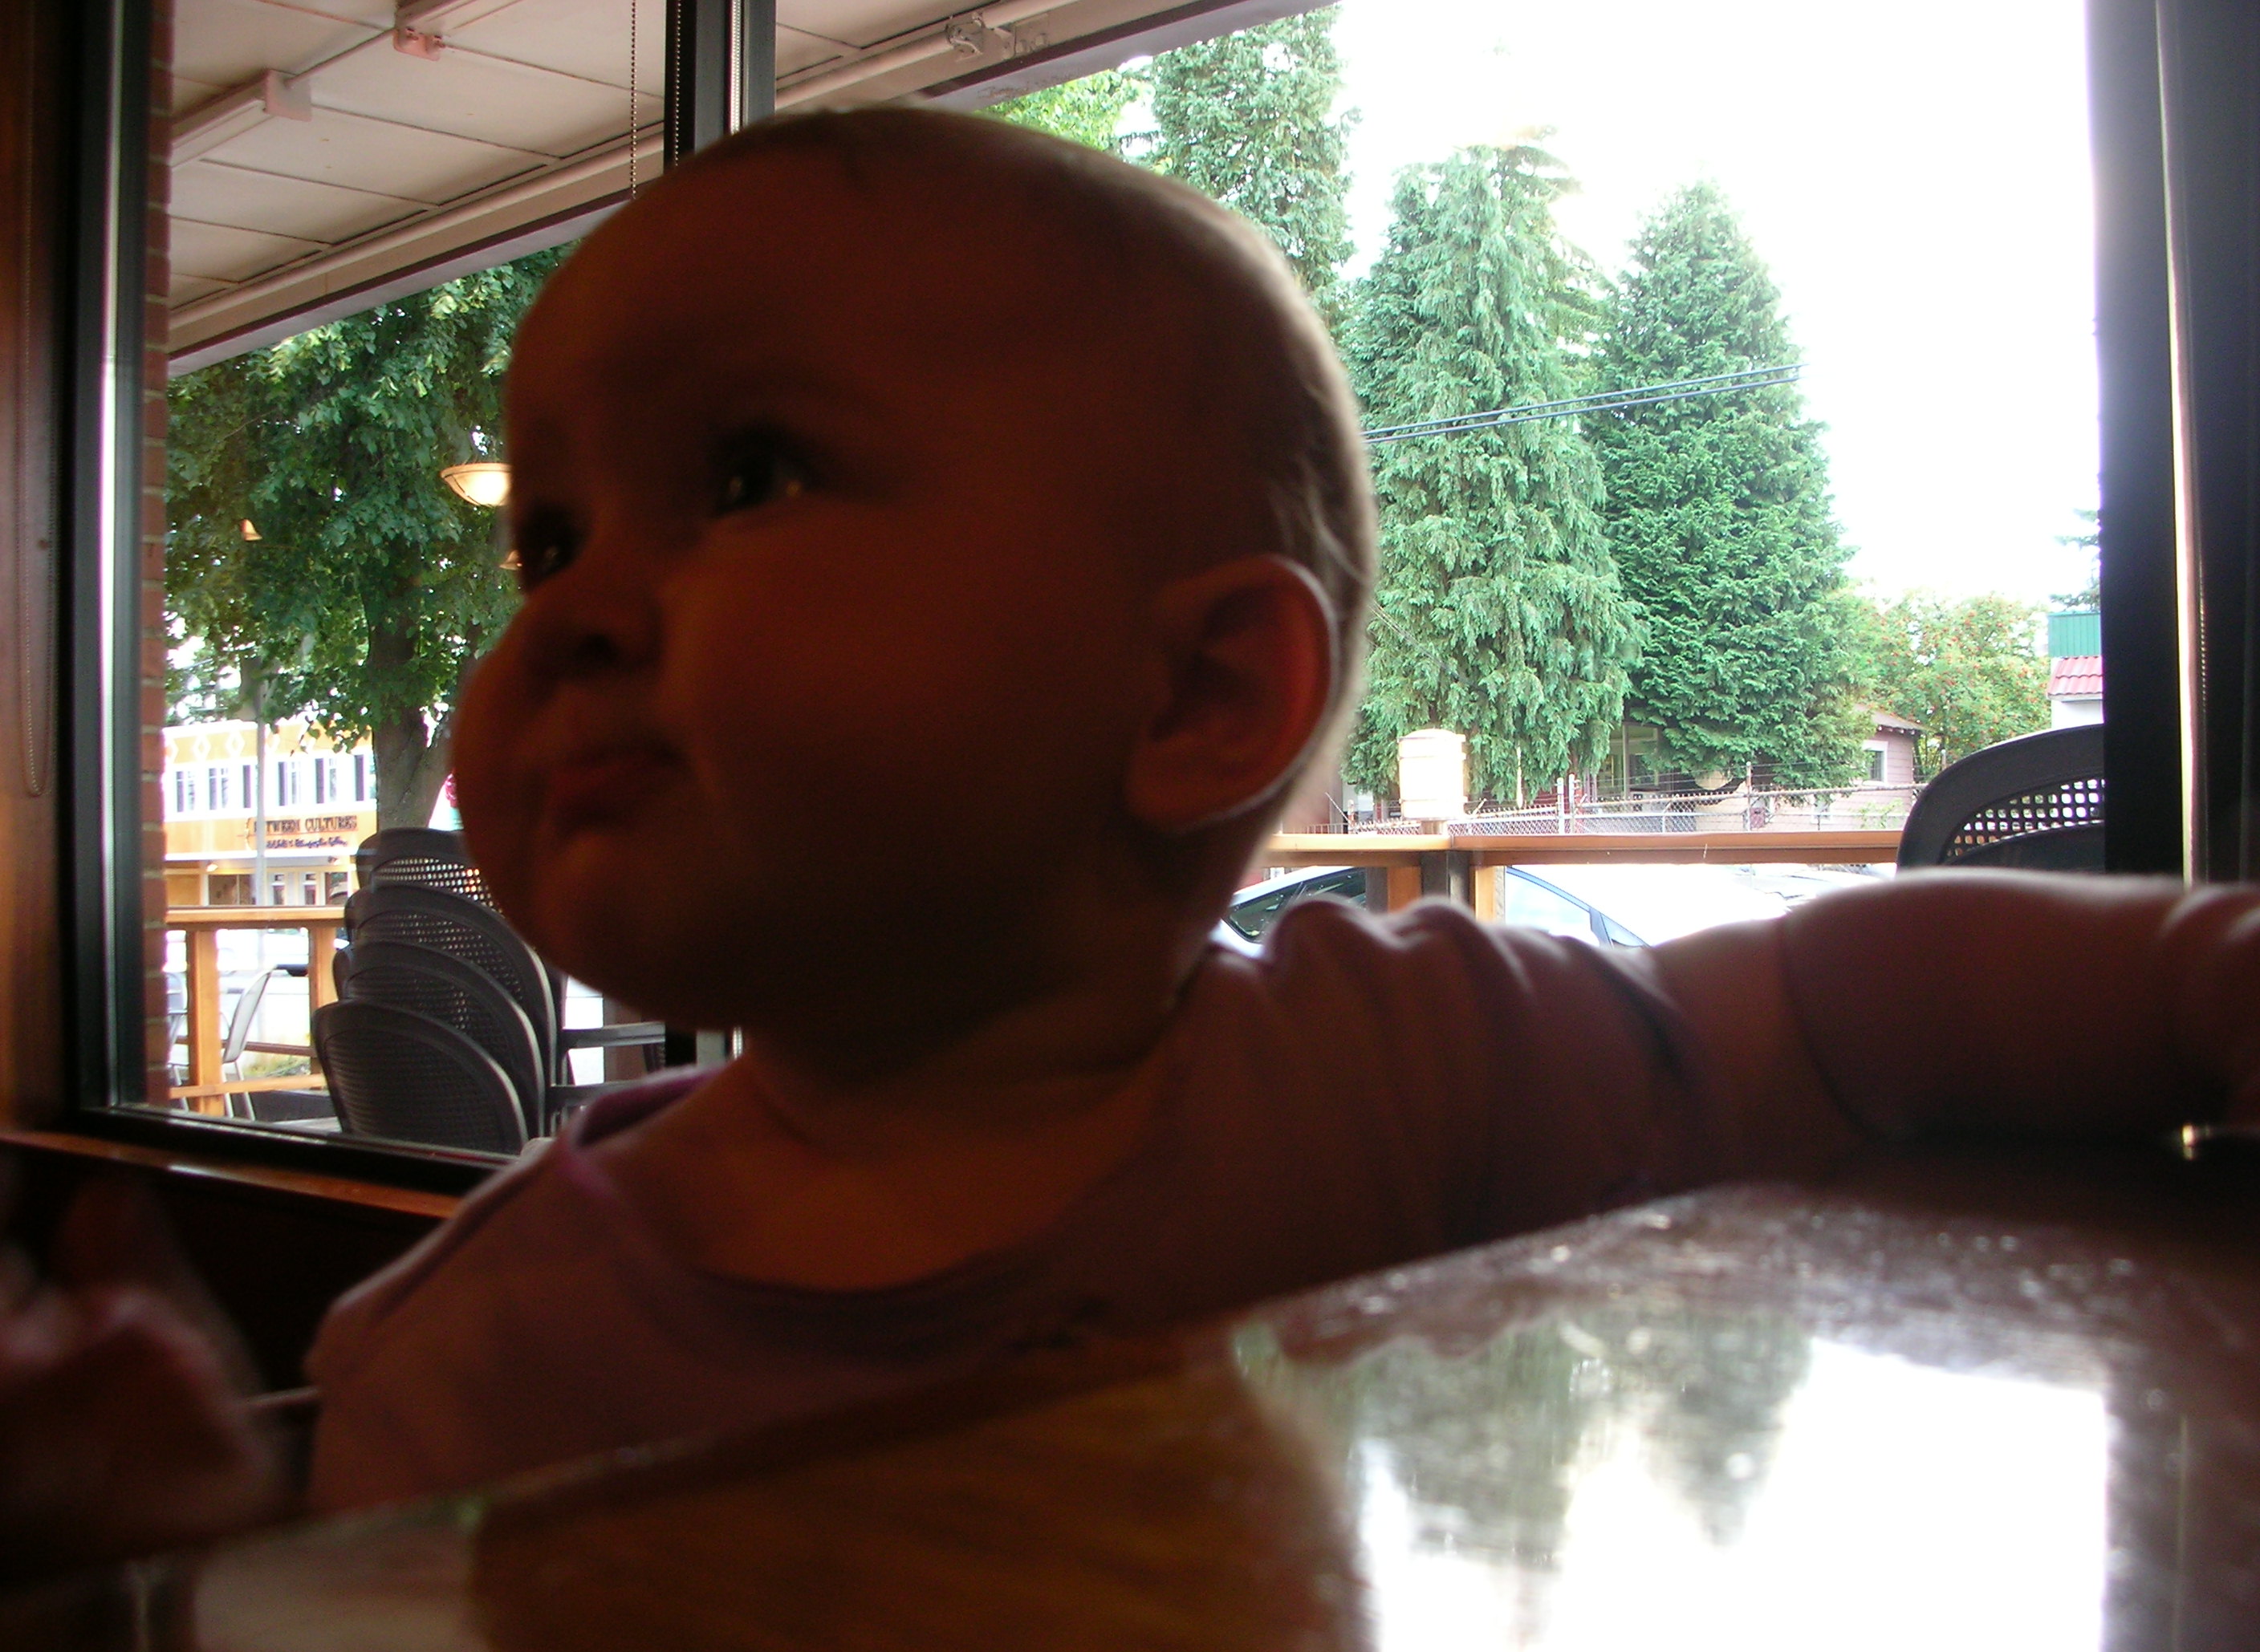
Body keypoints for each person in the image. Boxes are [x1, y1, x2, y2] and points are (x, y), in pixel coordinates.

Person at [295, 106, 2260, 1508]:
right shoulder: (457, 1367)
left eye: (747, 479)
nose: (570, 614)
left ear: (1202, 695)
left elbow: (1837, 1006)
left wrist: (2200, 973)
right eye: (549, 539)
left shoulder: (1397, 1076)